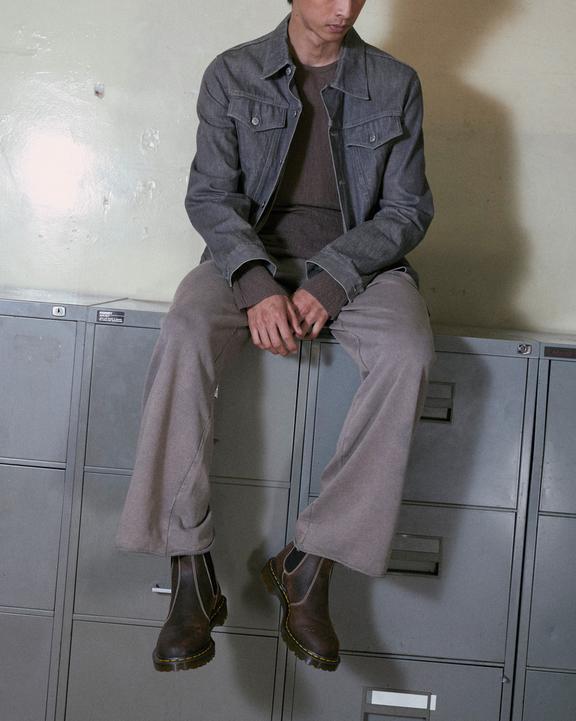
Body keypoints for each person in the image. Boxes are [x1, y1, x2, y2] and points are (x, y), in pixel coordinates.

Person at [116, 0, 435, 674]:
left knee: (408, 351)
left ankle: (310, 562)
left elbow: (408, 210)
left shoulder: (396, 83)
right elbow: (210, 197)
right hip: (247, 258)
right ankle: (190, 568)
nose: (343, 8)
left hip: (358, 266)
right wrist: (257, 282)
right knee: (184, 328)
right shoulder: (232, 74)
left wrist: (334, 278)